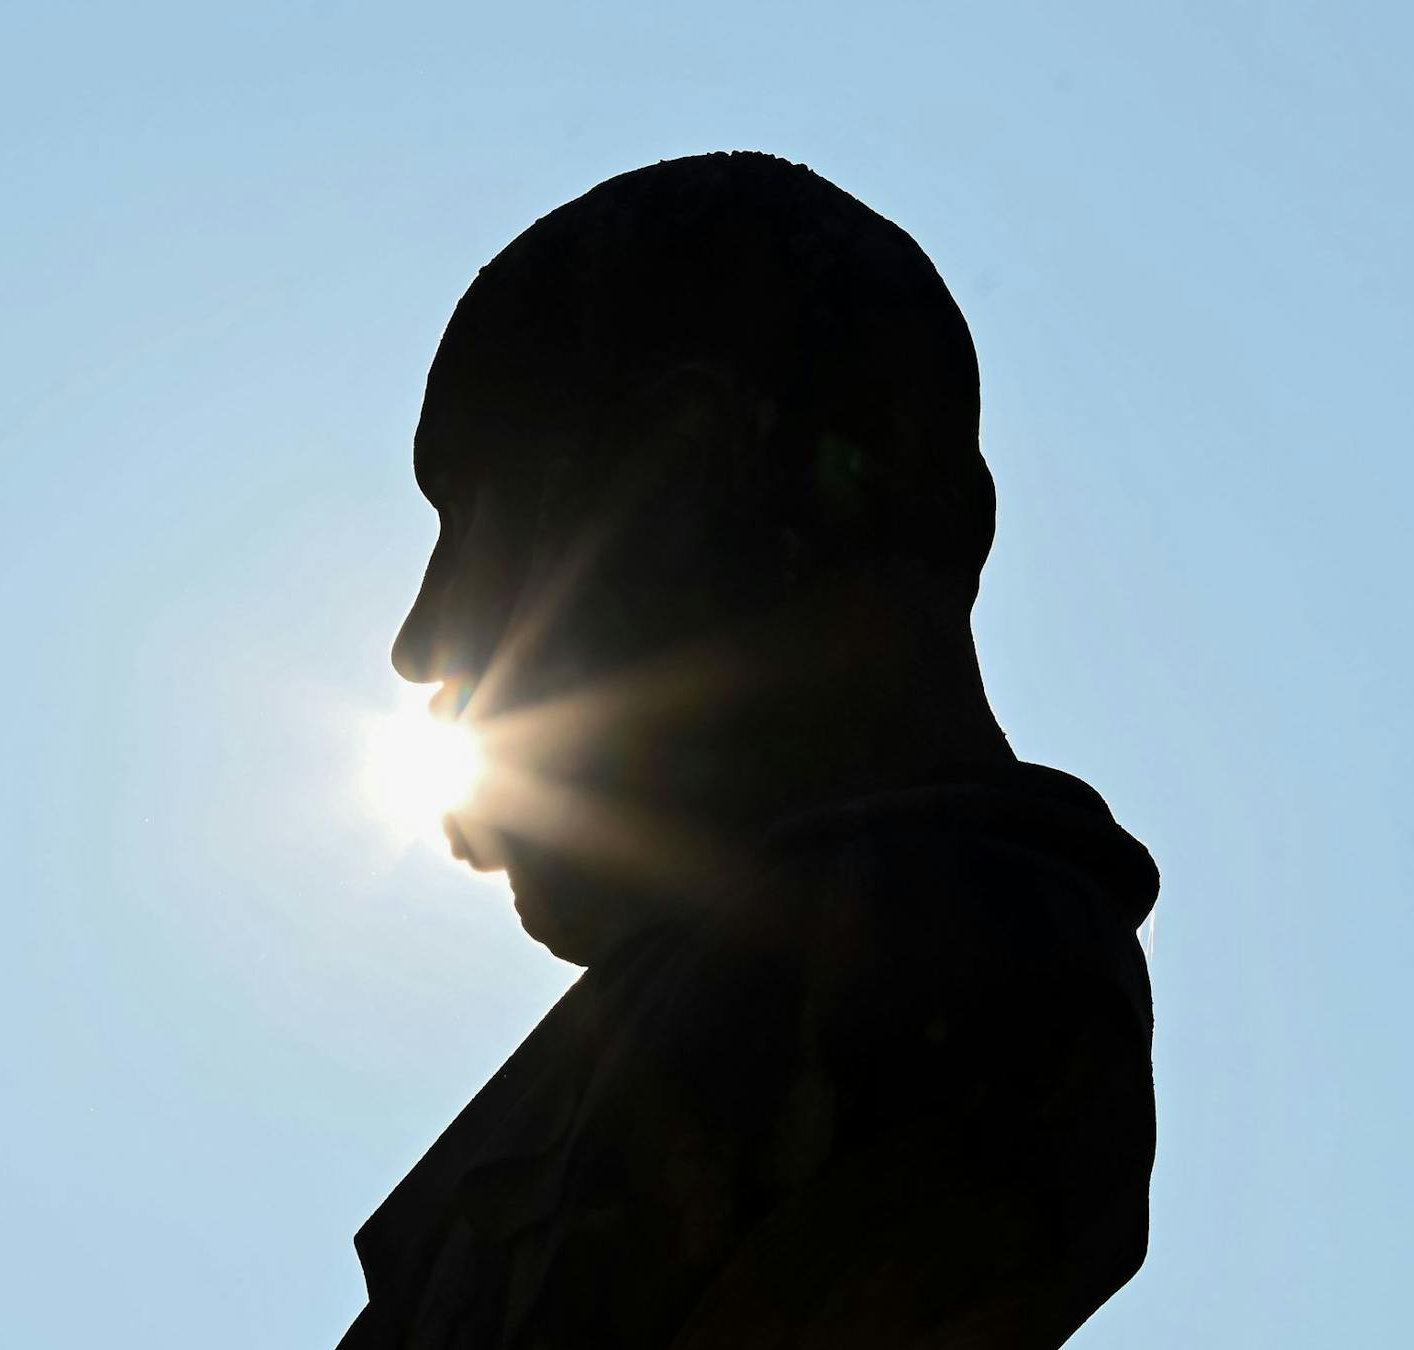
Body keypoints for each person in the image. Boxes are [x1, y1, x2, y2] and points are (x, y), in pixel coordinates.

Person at [341, 151, 1158, 1349]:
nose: (420, 641)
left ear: (681, 478)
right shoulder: (698, 1015)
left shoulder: (927, 976)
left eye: (477, 517)